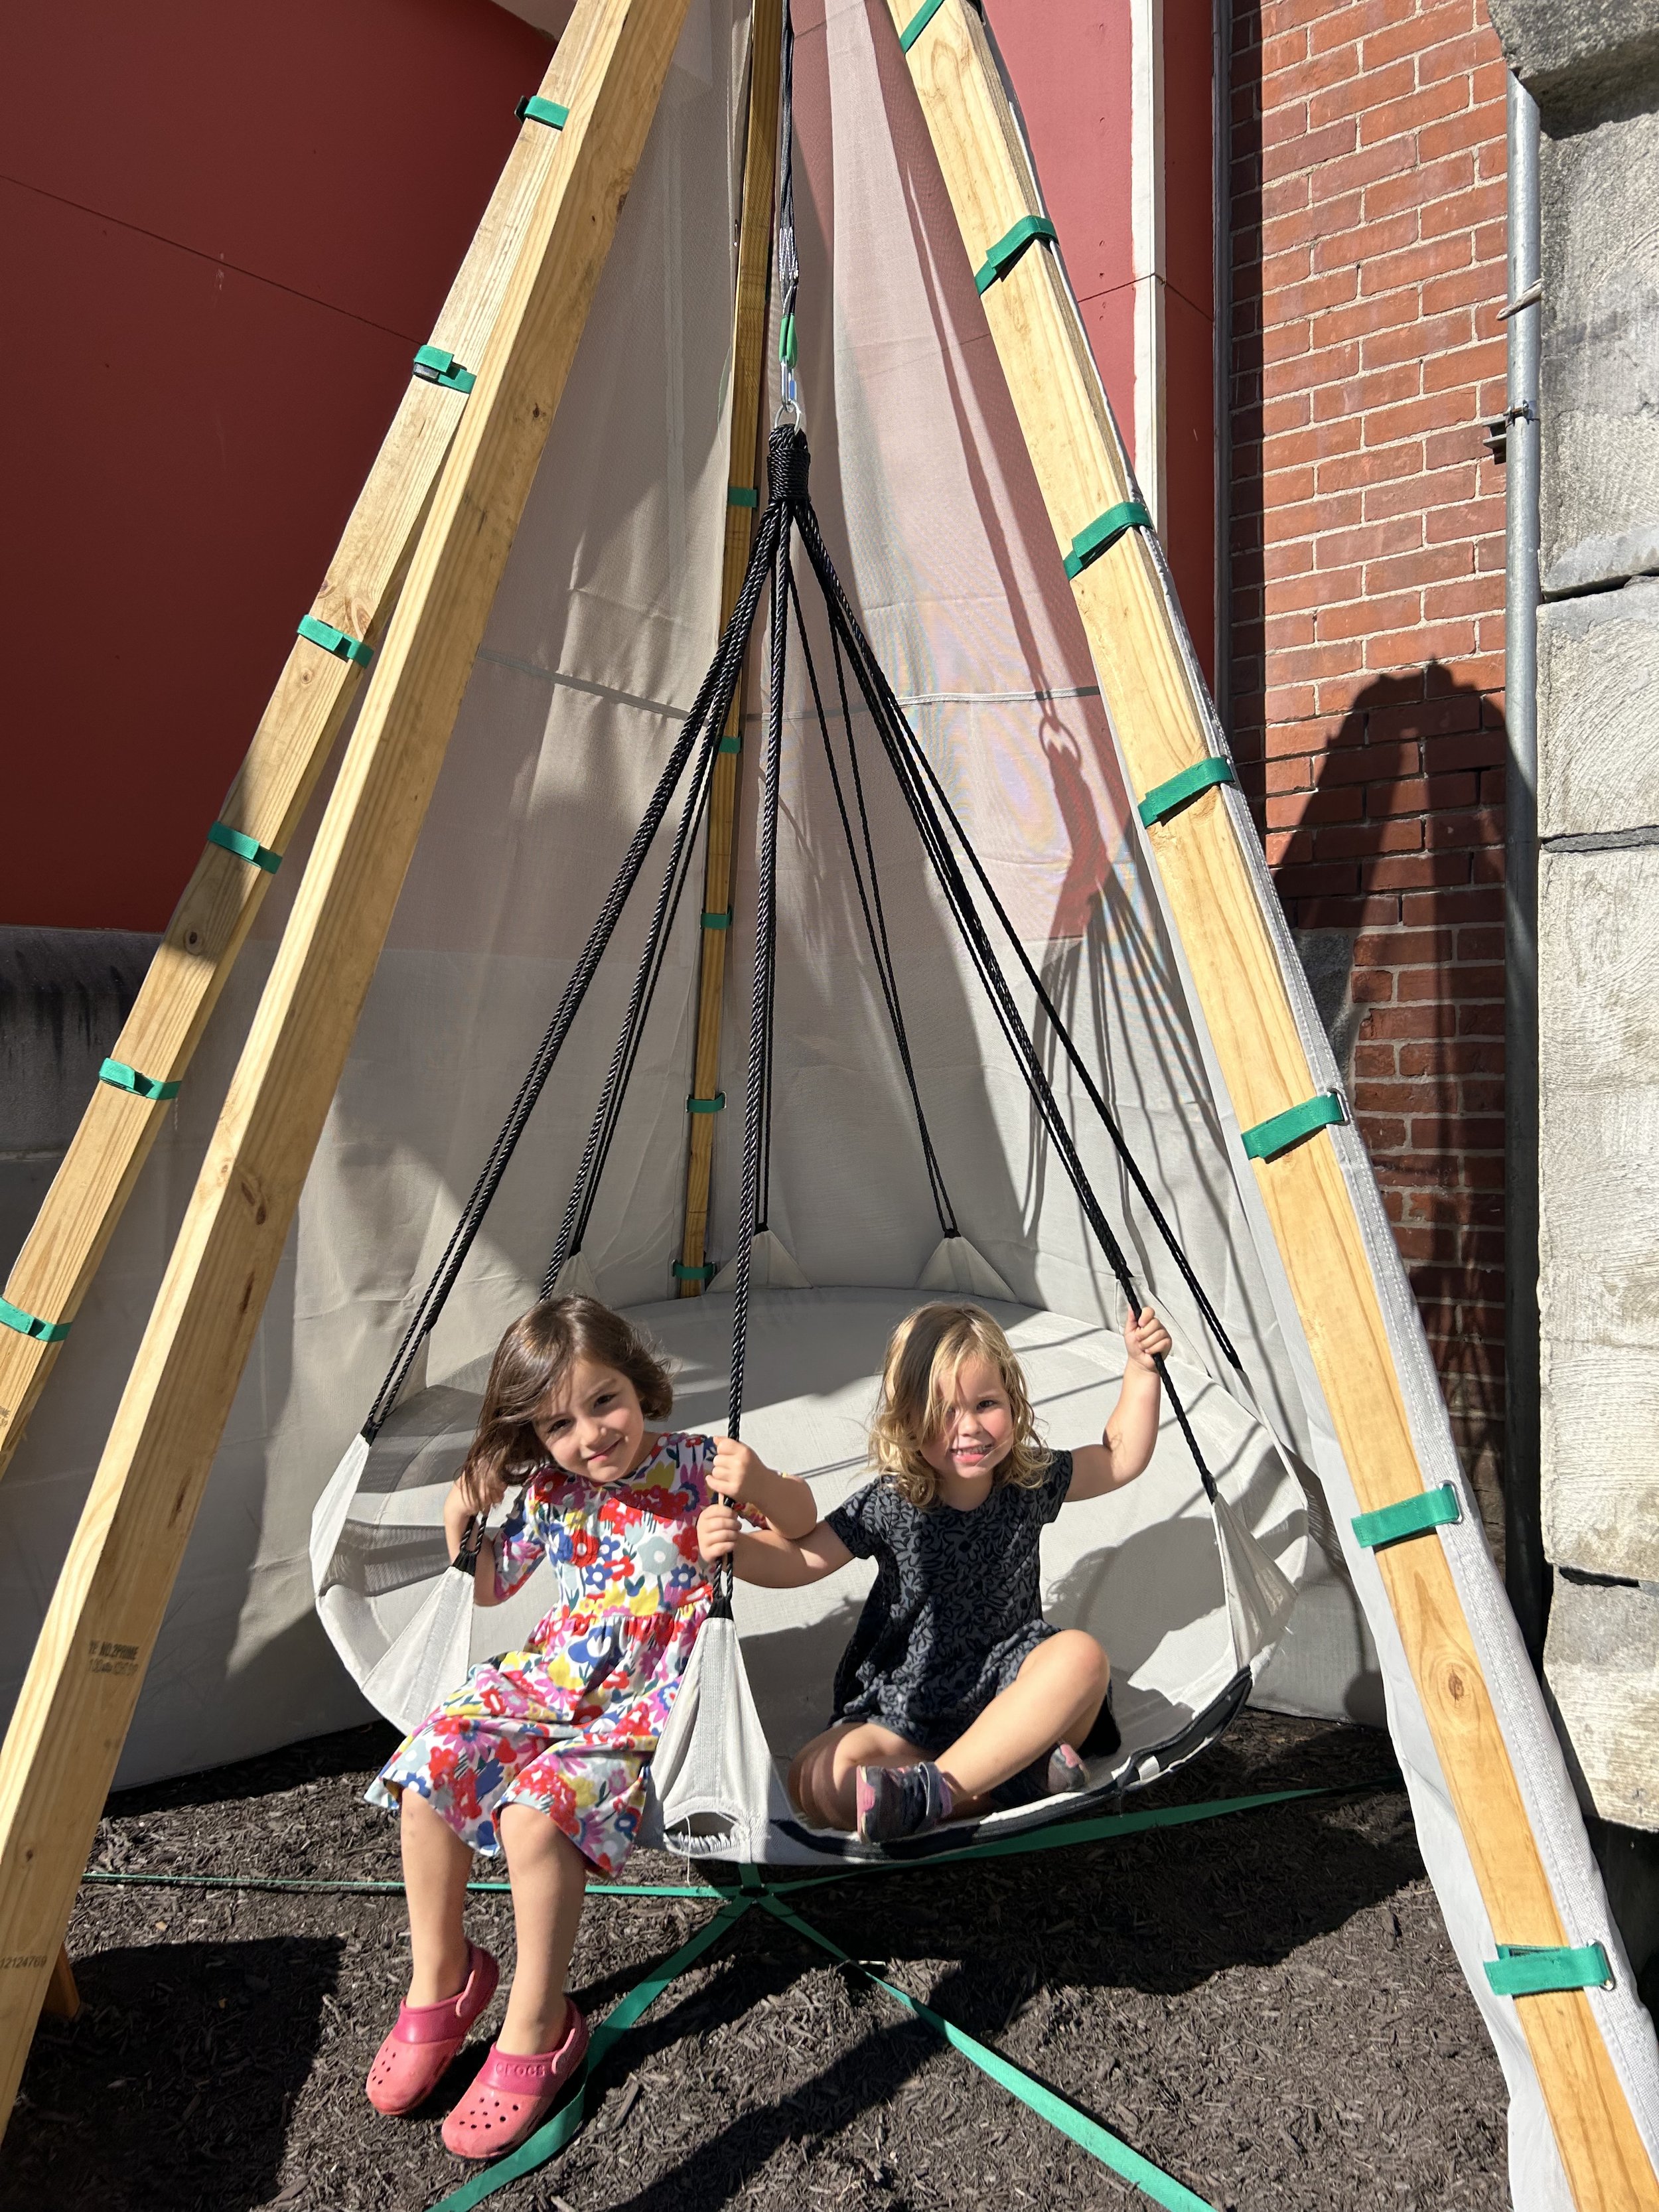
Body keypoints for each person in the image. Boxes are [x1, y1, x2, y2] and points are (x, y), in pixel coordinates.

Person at [362, 1295, 815, 2160]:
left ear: (637, 1383)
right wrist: (462, 1515)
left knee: (535, 1815)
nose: (591, 1434)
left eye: (603, 1401)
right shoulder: (551, 1490)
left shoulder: (698, 1467)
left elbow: (805, 1530)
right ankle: (442, 1978)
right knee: (431, 1769)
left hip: (653, 1696)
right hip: (554, 1676)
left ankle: (539, 2019)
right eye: (558, 1424)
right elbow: (492, 1585)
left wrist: (758, 1486)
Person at [697, 1298, 1172, 1845]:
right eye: (943, 1411)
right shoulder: (894, 1501)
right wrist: (738, 1550)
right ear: (907, 1421)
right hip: (911, 1703)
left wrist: (1141, 1368)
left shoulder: (1029, 1481)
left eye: (986, 1403)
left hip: (1012, 1690)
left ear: (1014, 1403)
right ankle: (1009, 1781)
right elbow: (804, 1557)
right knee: (816, 1781)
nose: (969, 1427)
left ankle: (938, 1790)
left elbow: (1117, 1458)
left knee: (1082, 1659)